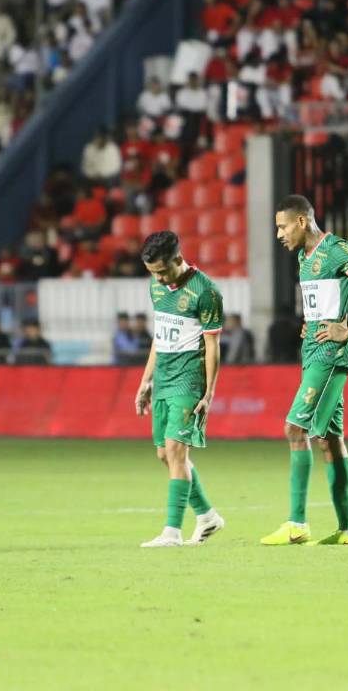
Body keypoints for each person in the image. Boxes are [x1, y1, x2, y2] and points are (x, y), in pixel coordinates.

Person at [261, 195, 348, 547]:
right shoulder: (304, 257)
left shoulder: (335, 249)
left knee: (294, 428)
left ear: (301, 221)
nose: (279, 234)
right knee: (329, 440)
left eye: (282, 226)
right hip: (314, 351)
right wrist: (310, 323)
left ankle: (297, 523)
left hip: (330, 355)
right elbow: (325, 302)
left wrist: (347, 330)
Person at [133, 231, 226, 548]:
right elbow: (160, 337)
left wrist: (209, 391)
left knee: (175, 451)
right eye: (152, 273)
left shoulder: (206, 292)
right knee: (165, 454)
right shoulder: (156, 287)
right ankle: (208, 516)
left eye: (162, 271)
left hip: (189, 378)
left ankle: (171, 532)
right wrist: (146, 380)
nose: (158, 278)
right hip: (163, 378)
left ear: (177, 258)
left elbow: (213, 346)